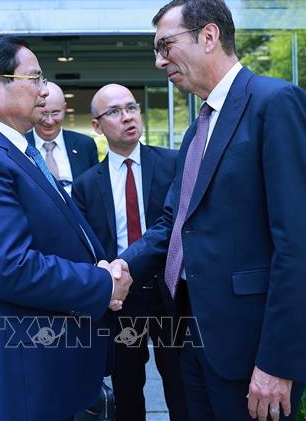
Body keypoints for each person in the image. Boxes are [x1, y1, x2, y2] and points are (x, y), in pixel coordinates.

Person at [115, 0, 306, 421]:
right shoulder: (199, 128)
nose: (159, 61)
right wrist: (121, 265)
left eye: (165, 45)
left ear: (209, 36)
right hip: (193, 337)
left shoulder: (276, 103)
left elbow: (302, 246)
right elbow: (175, 223)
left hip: (253, 354)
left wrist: (278, 363)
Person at [0, 36, 131, 421]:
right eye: (35, 78)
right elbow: (11, 268)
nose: (44, 90)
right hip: (20, 374)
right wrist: (101, 284)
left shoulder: (12, 149)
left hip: (47, 362)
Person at [73, 83, 188, 421]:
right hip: (122, 300)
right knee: (127, 391)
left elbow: (179, 227)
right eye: (115, 111)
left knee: (182, 389)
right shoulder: (86, 185)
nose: (127, 117)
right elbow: (88, 246)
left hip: (171, 294)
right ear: (97, 126)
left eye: (131, 107)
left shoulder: (173, 163)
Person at [26, 81, 98, 194]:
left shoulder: (85, 145)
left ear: (64, 109)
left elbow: (95, 189)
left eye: (55, 113)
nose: (49, 121)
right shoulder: (21, 145)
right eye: (44, 113)